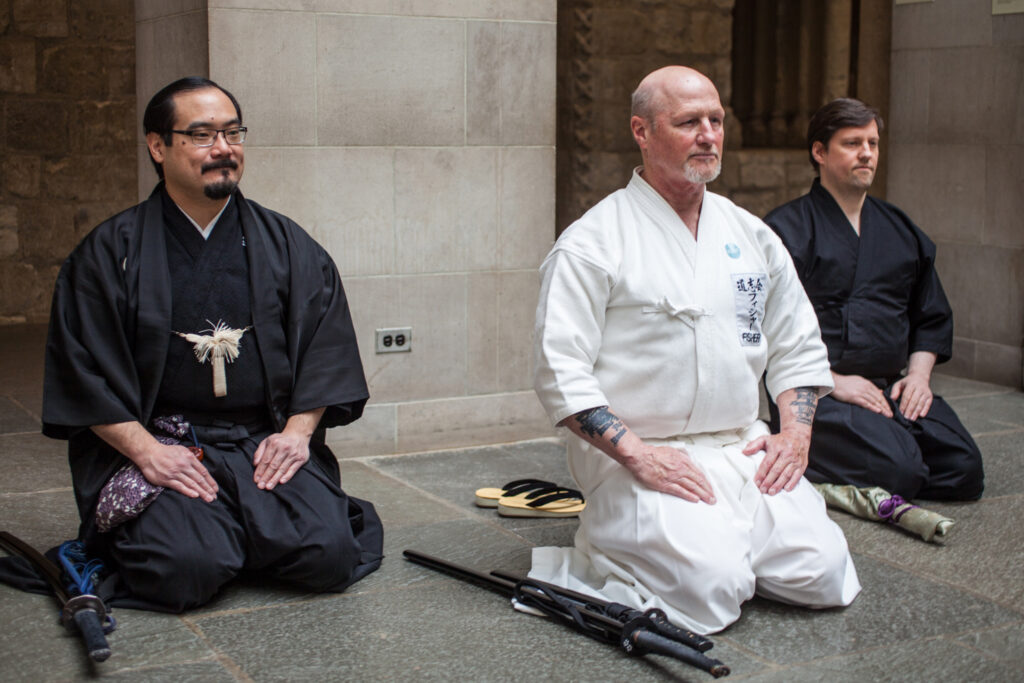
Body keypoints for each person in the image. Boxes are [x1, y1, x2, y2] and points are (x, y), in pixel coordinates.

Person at [530, 66, 860, 635]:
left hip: (742, 445)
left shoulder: (750, 233)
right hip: (644, 454)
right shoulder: (593, 241)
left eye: (715, 120)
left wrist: (796, 434)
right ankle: (611, 544)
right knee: (714, 590)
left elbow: (797, 342)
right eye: (688, 122)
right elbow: (560, 370)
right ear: (642, 131)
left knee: (824, 575)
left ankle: (725, 538)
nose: (708, 134)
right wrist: (636, 455)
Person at [37, 77, 383, 612]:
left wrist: (296, 434)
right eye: (201, 135)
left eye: (232, 132)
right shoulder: (110, 252)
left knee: (329, 556)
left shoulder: (287, 245)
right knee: (184, 572)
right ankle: (220, 533)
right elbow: (81, 370)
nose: (223, 149)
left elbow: (326, 345)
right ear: (158, 146)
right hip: (166, 441)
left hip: (260, 438)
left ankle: (229, 528)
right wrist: (147, 453)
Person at [764, 98, 984, 501]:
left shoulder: (899, 228)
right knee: (902, 471)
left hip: (889, 389)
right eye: (852, 143)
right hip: (816, 394)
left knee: (964, 470)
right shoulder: (786, 229)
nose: (866, 153)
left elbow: (929, 315)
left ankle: (895, 446)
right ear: (819, 152)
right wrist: (833, 382)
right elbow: (762, 329)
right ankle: (793, 442)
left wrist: (918, 377)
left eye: (873, 143)